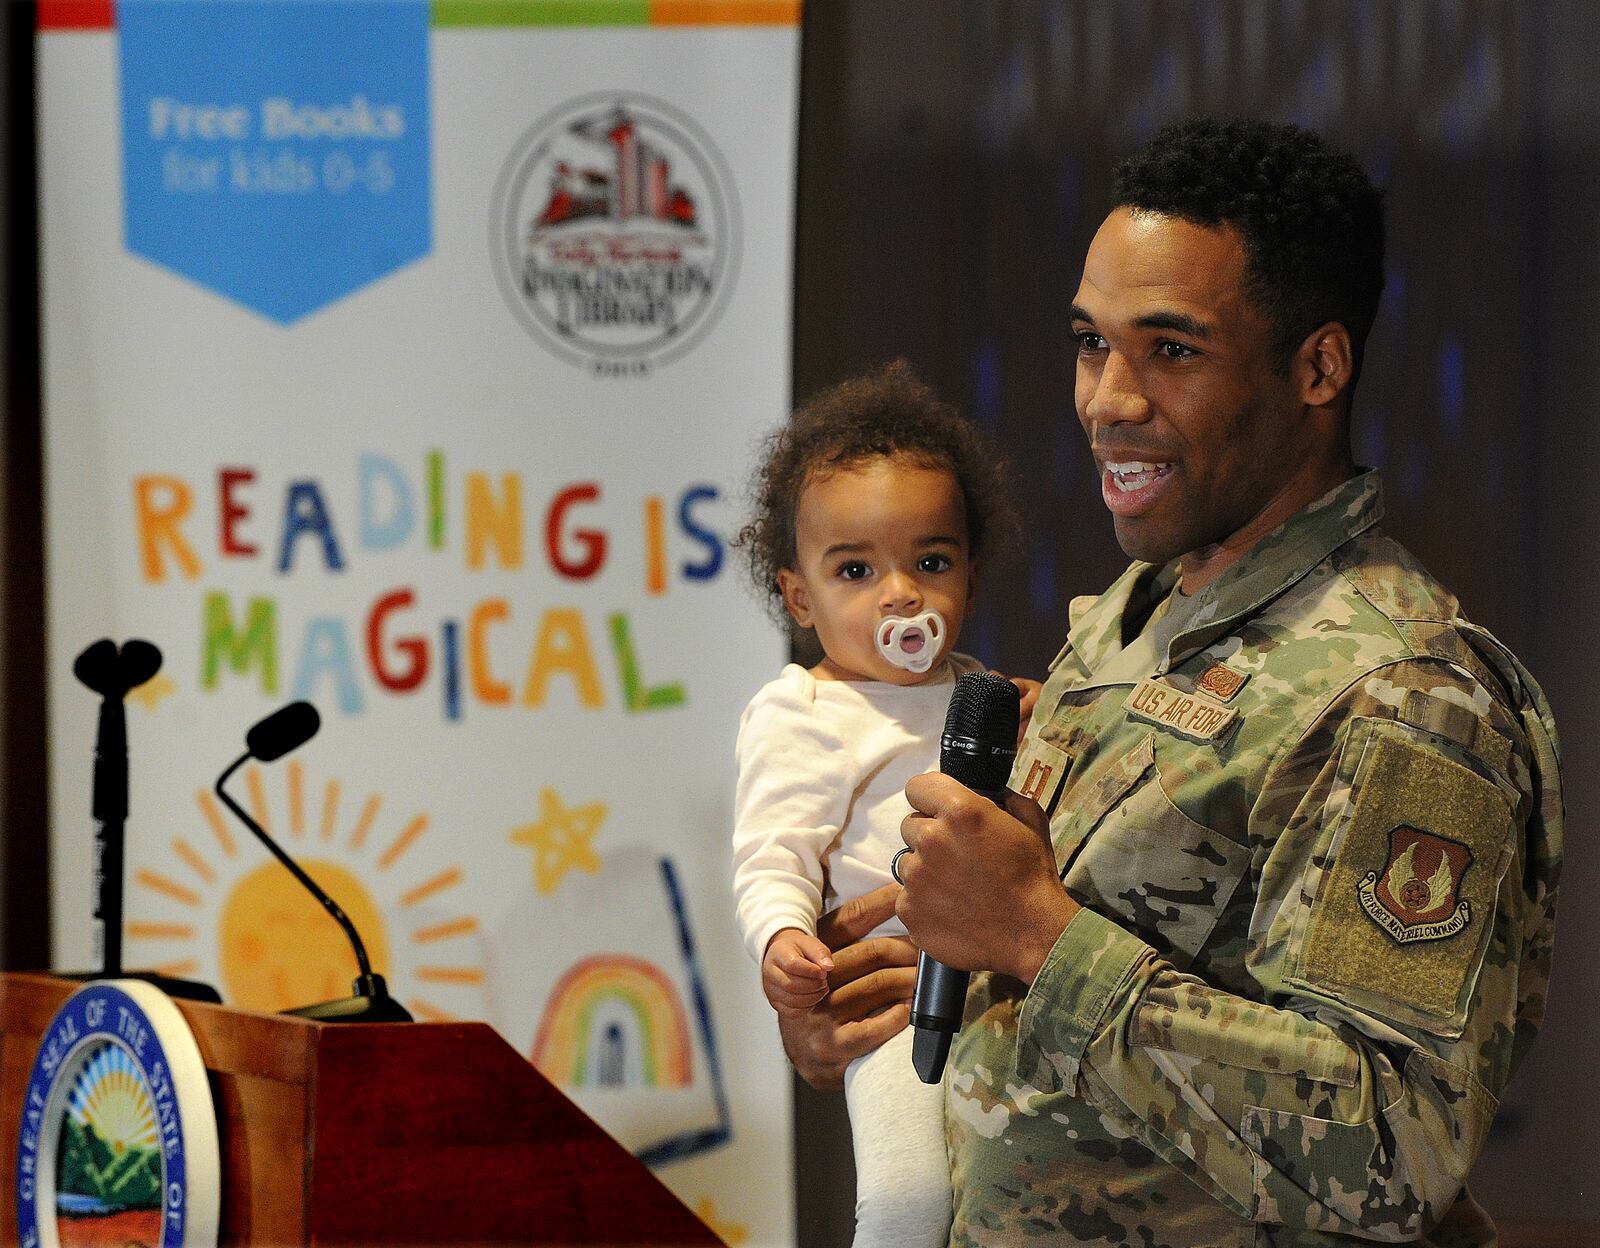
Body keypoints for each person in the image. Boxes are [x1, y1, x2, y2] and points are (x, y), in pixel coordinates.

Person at [781, 118, 1563, 1245]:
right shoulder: (1133, 616)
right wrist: (893, 990)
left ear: (1318, 367)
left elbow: (1392, 1151)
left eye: (1171, 351)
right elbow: (1103, 971)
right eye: (1090, 343)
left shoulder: (1405, 696)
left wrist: (1037, 937)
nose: (1109, 399)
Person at [731, 362, 1034, 1248]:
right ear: (800, 597)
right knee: (908, 1197)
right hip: (894, 1003)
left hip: (999, 997)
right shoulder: (804, 710)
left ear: (969, 577)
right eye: (857, 569)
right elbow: (772, 852)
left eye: (930, 563)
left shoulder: (982, 693)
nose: (900, 593)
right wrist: (783, 939)